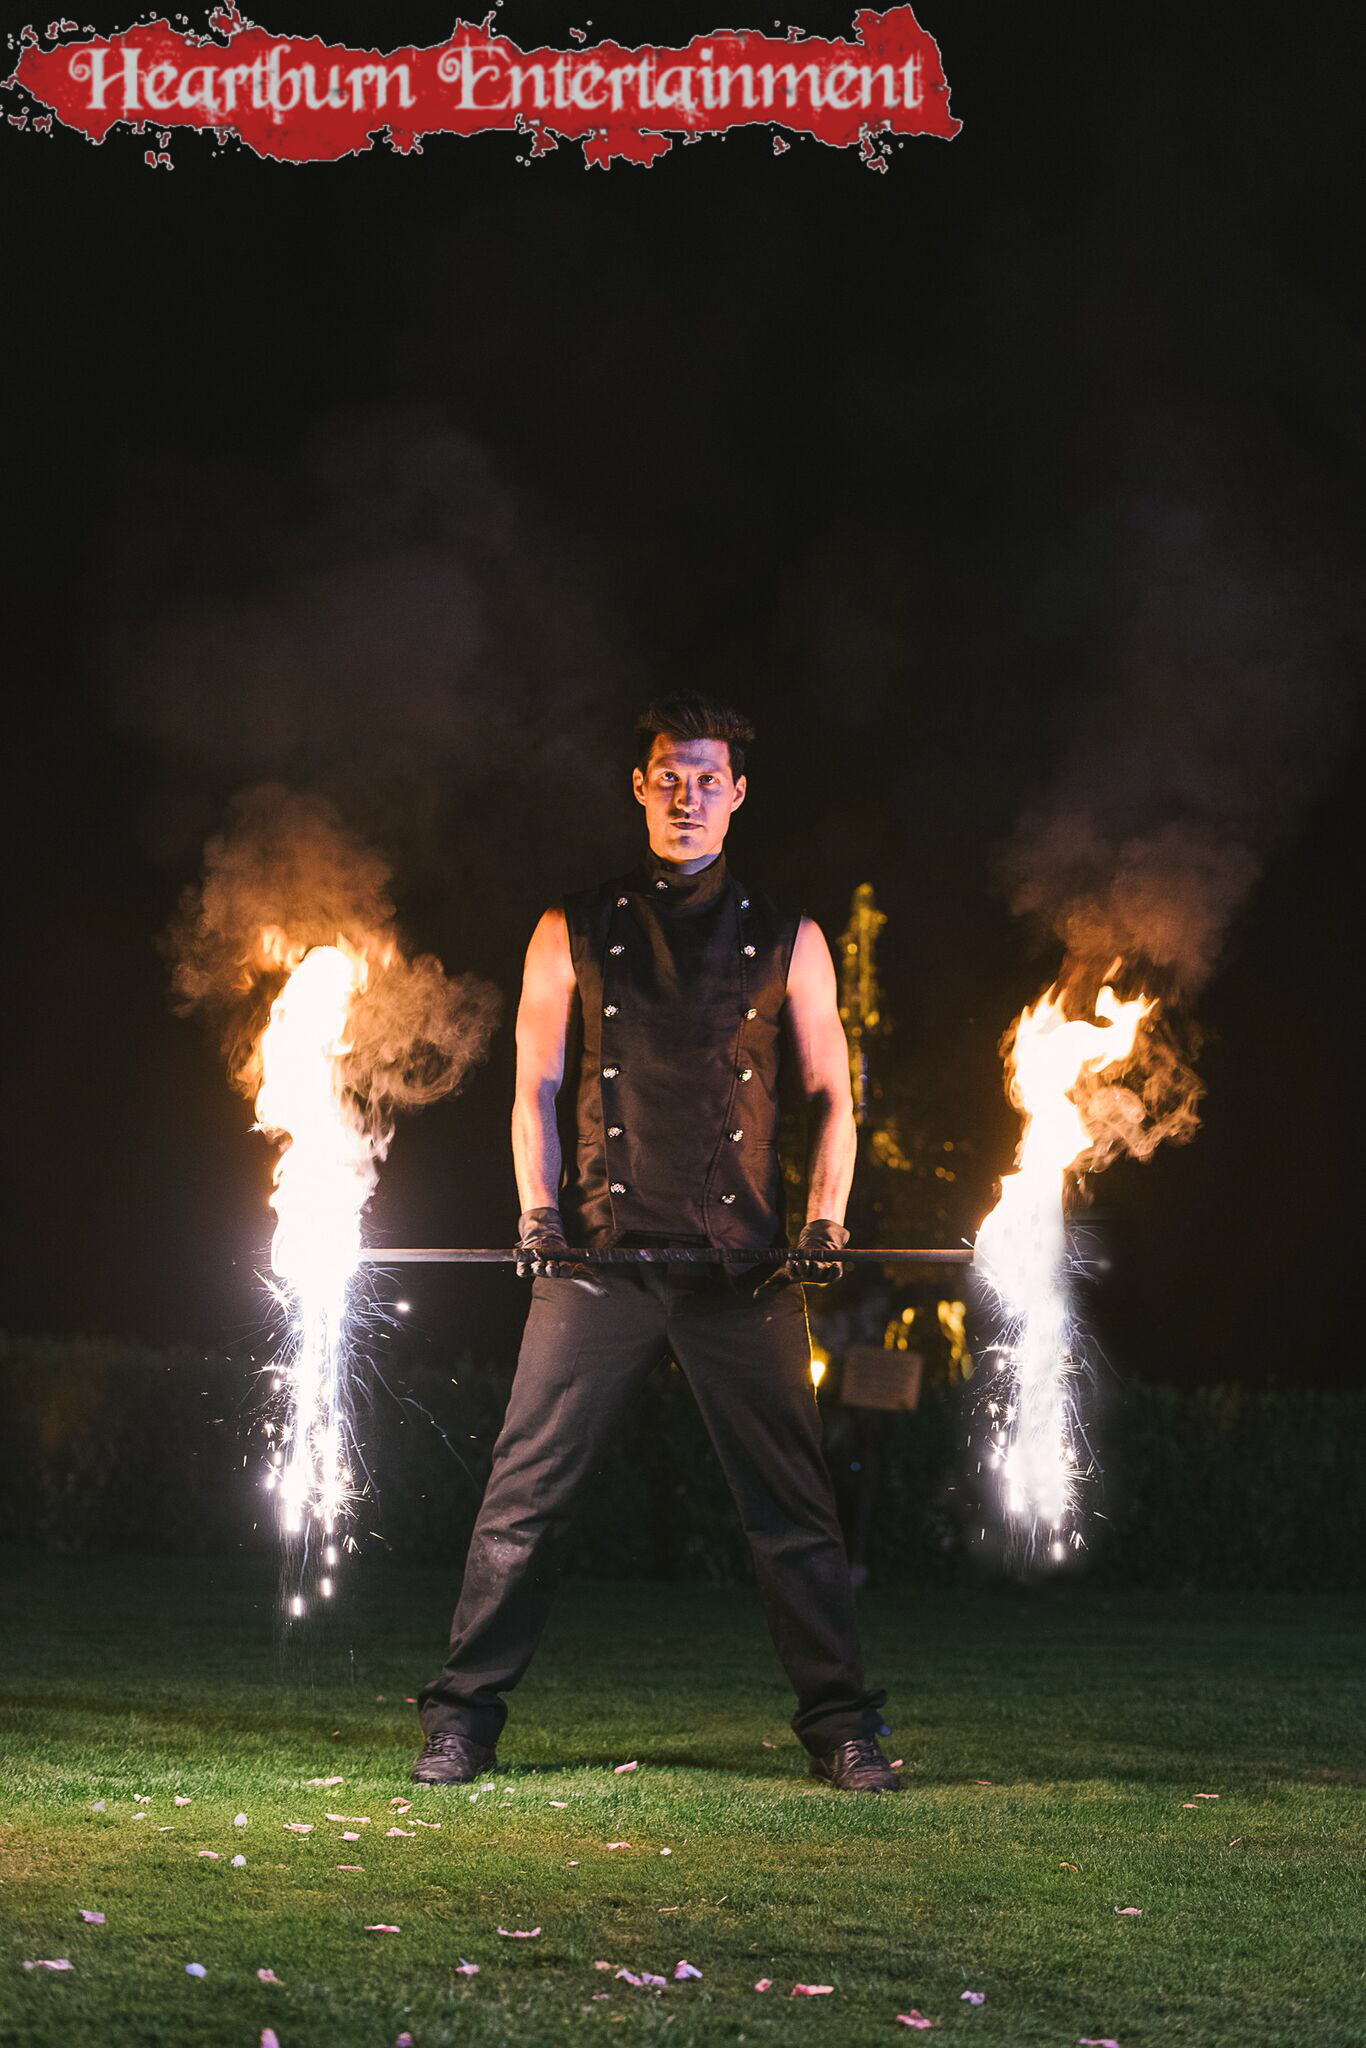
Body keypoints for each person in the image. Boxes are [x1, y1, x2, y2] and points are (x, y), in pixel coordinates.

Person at [412, 692, 899, 1793]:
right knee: (523, 1501)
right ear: (639, 788)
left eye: (707, 778)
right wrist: (538, 1214)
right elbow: (534, 1085)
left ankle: (843, 1727)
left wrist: (824, 1220)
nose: (687, 797)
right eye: (668, 778)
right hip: (598, 1261)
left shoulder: (792, 936)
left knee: (794, 1515)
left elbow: (833, 1095)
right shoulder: (569, 926)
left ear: (738, 792)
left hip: (744, 1269)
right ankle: (461, 1720)